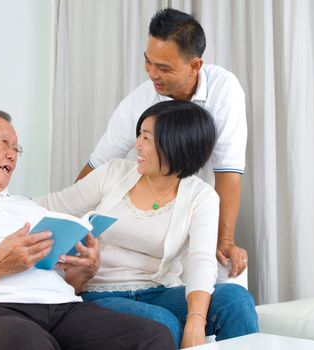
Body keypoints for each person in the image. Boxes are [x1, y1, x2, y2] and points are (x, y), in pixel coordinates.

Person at [0, 107, 174, 350]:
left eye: (16, 149)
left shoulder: (29, 208)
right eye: (4, 143)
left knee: (151, 337)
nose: (12, 155)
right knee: (25, 341)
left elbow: (66, 285)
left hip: (63, 310)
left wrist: (82, 272)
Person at [37, 101, 259, 349]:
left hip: (159, 292)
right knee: (161, 323)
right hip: (100, 293)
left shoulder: (201, 196)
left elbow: (200, 260)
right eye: (139, 135)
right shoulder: (113, 173)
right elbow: (51, 204)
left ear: (176, 145)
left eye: (147, 138)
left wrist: (196, 322)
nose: (137, 145)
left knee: (235, 299)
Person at [76, 8, 248, 278]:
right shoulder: (138, 102)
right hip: (146, 221)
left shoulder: (224, 89)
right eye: (148, 62)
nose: (152, 74)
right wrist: (72, 227)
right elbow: (97, 165)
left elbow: (228, 171)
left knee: (226, 285)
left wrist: (224, 240)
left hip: (196, 215)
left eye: (164, 68)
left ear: (195, 65)